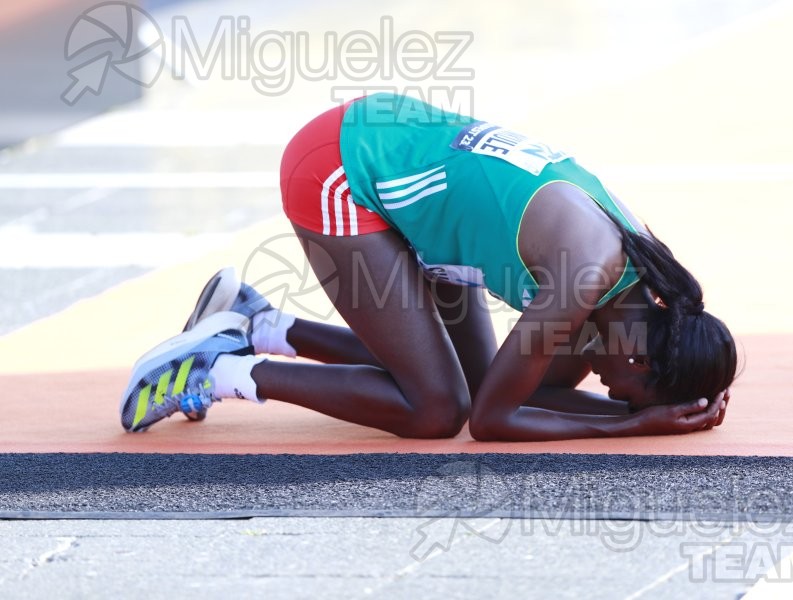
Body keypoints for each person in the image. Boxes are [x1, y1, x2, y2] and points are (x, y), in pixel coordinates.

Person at [120, 93, 736, 440]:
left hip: (401, 154)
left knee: (460, 381)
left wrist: (644, 412)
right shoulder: (587, 277)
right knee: (437, 409)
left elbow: (535, 391)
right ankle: (214, 369)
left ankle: (255, 323)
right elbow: (494, 420)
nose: (611, 390)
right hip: (340, 170)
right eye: (625, 390)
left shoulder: (642, 290)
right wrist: (630, 429)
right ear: (640, 357)